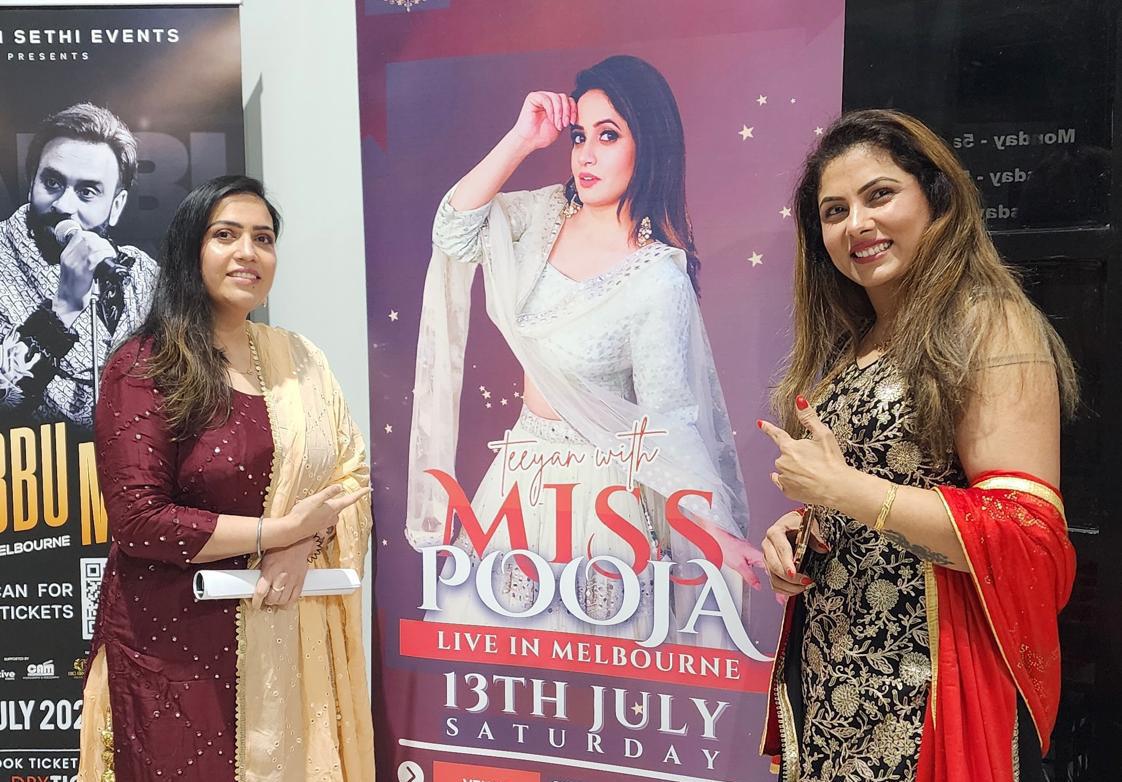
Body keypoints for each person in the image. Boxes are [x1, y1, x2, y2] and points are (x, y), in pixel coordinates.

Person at [756, 110, 1077, 782]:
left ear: (938, 198)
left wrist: (846, 492)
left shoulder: (988, 323)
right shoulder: (853, 343)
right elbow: (883, 487)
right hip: (834, 682)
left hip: (928, 692)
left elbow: (1028, 534)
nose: (857, 224)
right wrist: (805, 527)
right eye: (835, 211)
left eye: (880, 195)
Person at [408, 54, 764, 650]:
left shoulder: (657, 279)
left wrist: (712, 532)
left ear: (648, 145)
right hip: (520, 476)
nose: (586, 155)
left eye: (609, 136)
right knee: (501, 671)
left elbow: (669, 419)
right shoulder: (542, 215)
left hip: (603, 500)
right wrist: (522, 139)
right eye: (580, 137)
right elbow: (453, 230)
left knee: (588, 673)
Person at [77, 175, 375, 781]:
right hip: (173, 652)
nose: (248, 252)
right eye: (226, 235)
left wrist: (302, 543)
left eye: (263, 238)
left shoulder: (301, 359)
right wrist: (278, 531)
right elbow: (139, 520)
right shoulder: (146, 364)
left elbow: (352, 473)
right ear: (191, 251)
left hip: (291, 635)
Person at [0, 102, 158, 429]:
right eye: (52, 183)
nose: (64, 204)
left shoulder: (141, 273)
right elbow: (5, 402)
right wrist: (64, 306)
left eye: (87, 192)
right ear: (31, 184)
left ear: (116, 206)